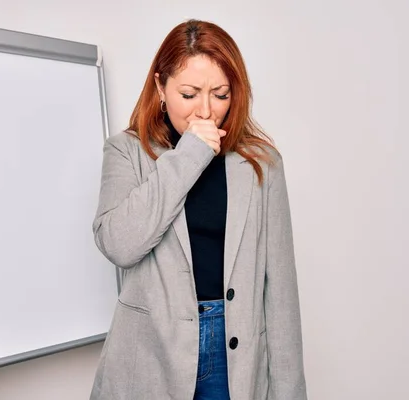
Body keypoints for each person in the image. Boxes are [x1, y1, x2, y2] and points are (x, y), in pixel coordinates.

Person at [90, 19, 307, 400]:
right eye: (189, 94)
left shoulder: (262, 163)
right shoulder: (126, 151)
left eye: (220, 94)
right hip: (150, 352)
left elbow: (282, 293)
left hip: (234, 352)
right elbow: (120, 245)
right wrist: (189, 154)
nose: (205, 112)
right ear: (160, 86)